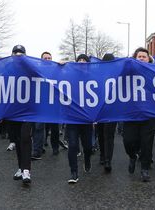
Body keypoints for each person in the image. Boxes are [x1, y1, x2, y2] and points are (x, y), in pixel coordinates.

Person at [122, 47, 155, 182]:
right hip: (131, 113)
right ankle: (132, 156)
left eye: (144, 56)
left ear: (149, 59)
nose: (142, 58)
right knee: (129, 141)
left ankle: (145, 169)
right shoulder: (128, 72)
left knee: (146, 143)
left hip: (149, 114)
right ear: (135, 59)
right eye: (139, 57)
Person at [7, 45, 32, 184]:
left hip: (28, 111)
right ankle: (21, 167)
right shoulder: (6, 69)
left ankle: (27, 170)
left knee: (25, 138)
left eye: (21, 53)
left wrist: (59, 65)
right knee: (17, 140)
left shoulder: (31, 68)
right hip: (13, 112)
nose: (18, 54)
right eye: (15, 52)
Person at [67, 54, 93, 184]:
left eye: (84, 60)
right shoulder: (70, 76)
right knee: (72, 145)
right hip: (72, 117)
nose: (82, 62)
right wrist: (61, 64)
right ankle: (74, 172)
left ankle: (87, 158)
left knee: (88, 146)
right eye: (79, 60)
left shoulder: (93, 77)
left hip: (86, 118)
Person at [96, 53, 117, 172]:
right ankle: (103, 155)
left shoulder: (118, 74)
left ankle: (107, 159)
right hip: (100, 109)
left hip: (111, 110)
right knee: (101, 134)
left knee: (108, 135)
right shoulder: (98, 75)